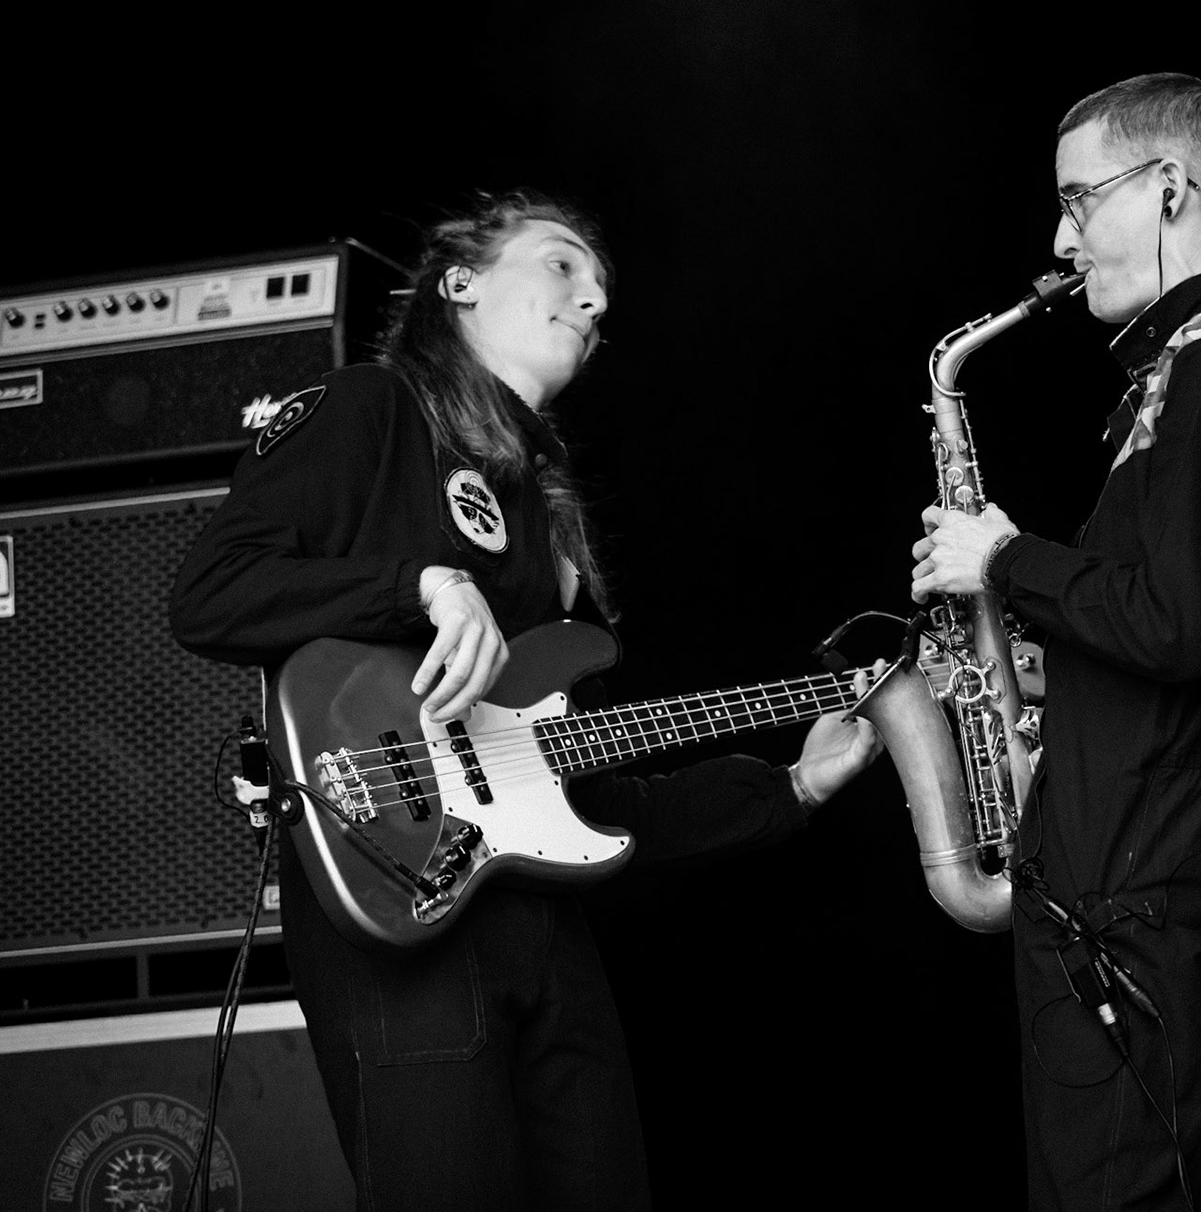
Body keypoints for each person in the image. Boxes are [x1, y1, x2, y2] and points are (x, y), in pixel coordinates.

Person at [170, 189, 882, 1210]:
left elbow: (591, 799)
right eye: (560, 265)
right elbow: (210, 593)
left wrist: (794, 787)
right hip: (395, 904)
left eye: (601, 291)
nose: (593, 300)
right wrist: (417, 581)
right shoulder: (372, 408)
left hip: (548, 943)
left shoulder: (551, 542)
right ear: (459, 281)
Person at [909, 73, 1201, 1209]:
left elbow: (1178, 618)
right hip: (1159, 872)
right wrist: (1121, 706)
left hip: (1121, 890)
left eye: (1081, 200)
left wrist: (1004, 564)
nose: (1060, 236)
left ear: (1169, 186)